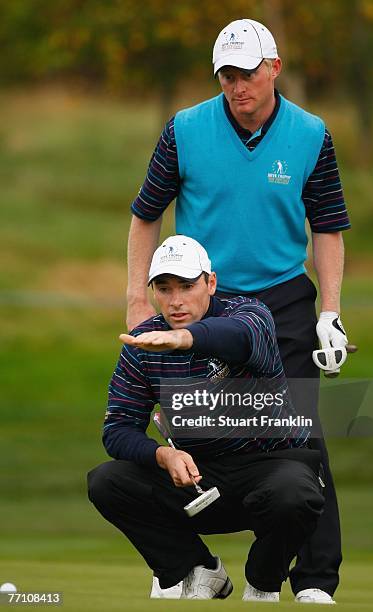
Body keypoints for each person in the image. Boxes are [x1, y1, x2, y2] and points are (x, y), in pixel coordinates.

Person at [126, 18, 351, 604]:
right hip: (204, 302)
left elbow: (326, 227)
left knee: (302, 433)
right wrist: (134, 299)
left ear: (273, 68)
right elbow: (145, 214)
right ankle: (191, 563)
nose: (236, 85)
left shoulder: (310, 133)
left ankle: (313, 579)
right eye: (226, 74)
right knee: (198, 423)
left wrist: (330, 312)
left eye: (247, 72)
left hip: (282, 299)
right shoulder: (185, 129)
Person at [88, 235, 325, 601]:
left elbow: (237, 337)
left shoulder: (250, 314)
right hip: (197, 480)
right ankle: (196, 569)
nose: (176, 299)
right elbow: (118, 429)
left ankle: (263, 584)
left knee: (295, 492)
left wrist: (182, 339)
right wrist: (163, 455)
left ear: (210, 283)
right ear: (153, 292)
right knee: (107, 481)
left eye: (186, 285)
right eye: (164, 289)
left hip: (269, 469)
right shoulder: (144, 342)